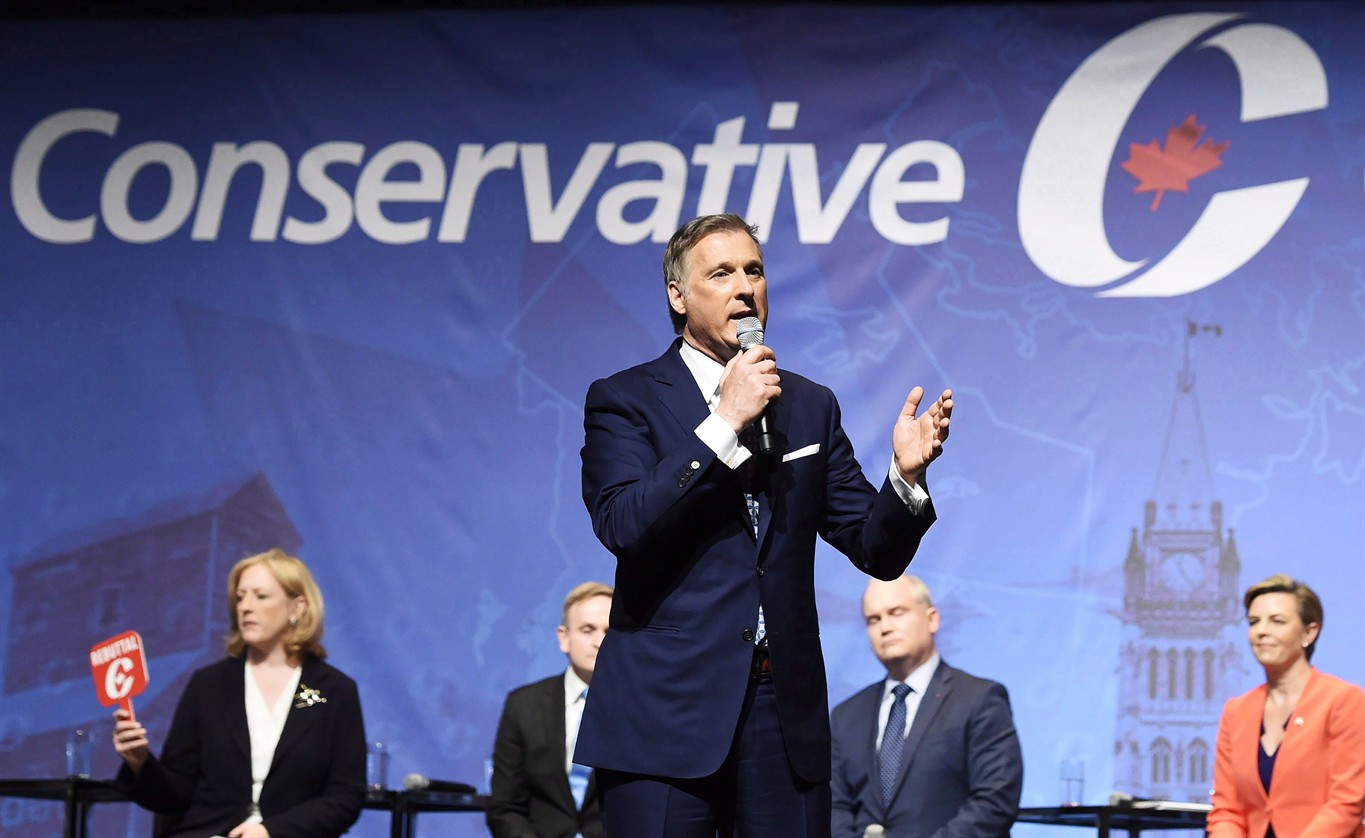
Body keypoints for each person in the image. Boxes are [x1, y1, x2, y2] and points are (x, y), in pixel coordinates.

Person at [577, 213, 952, 837]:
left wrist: (905, 479)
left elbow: (874, 549)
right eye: (721, 272)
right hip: (665, 714)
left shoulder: (808, 405)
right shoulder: (625, 399)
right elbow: (622, 523)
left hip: (783, 716)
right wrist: (723, 424)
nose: (744, 286)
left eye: (754, 270)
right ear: (678, 295)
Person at [112, 548, 366, 838]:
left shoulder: (334, 691)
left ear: (297, 608)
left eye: (260, 596)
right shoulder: (208, 685)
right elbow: (175, 795)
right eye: (240, 596)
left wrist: (271, 832)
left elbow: (345, 797)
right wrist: (139, 762)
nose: (245, 607)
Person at [830, 575, 1022, 838]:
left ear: (932, 619)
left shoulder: (980, 699)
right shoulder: (846, 716)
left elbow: (994, 801)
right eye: (873, 619)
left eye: (897, 612)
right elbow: (834, 807)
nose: (885, 627)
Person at [1208, 574, 1365, 838]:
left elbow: (1346, 802)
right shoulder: (1236, 711)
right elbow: (1227, 809)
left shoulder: (1344, 700)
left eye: (1277, 621)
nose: (1261, 631)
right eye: (1254, 622)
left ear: (1309, 632)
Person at [487, 581, 612, 838]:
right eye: (588, 630)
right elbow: (505, 806)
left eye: (609, 632)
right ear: (563, 637)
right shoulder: (523, 705)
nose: (599, 641)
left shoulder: (642, 709)